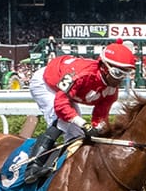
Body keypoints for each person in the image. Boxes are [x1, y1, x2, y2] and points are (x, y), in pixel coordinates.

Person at [28, 40, 138, 170]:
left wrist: (98, 128)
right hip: (45, 83)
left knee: (77, 133)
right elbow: (60, 104)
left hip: (65, 92)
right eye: (118, 74)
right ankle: (34, 163)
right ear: (104, 67)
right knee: (61, 121)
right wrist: (84, 124)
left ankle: (67, 167)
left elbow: (100, 115)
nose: (120, 80)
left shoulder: (111, 90)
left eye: (125, 75)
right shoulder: (81, 74)